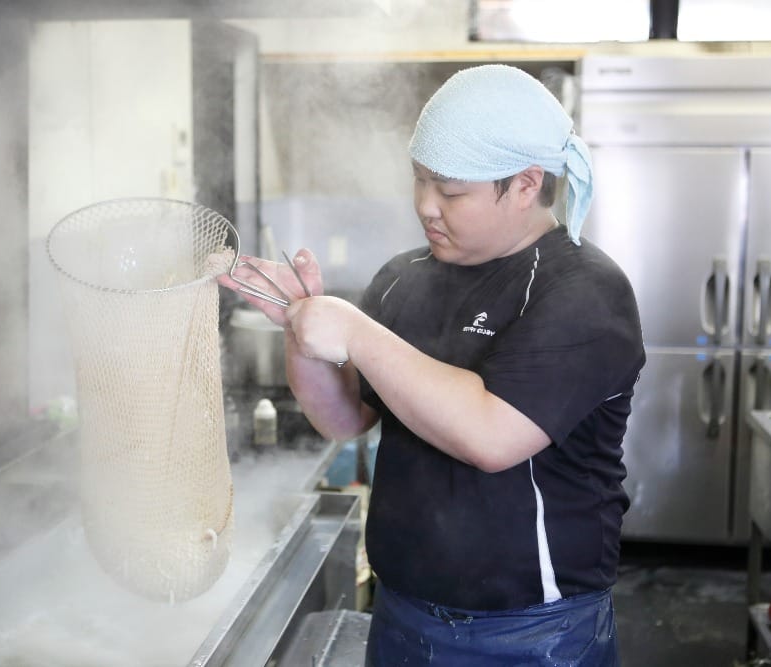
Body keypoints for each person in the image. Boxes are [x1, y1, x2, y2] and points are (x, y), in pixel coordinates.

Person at [218, 64, 644, 666]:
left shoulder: (582, 291)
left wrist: (356, 333)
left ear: (525, 184)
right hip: (401, 615)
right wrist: (298, 325)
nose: (426, 207)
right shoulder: (402, 279)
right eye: (419, 182)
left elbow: (492, 434)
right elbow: (344, 417)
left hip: (532, 634)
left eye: (450, 192)